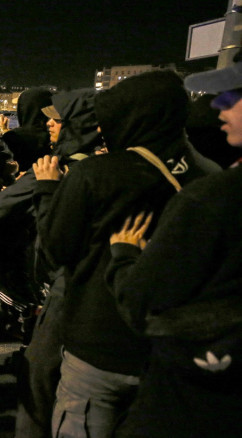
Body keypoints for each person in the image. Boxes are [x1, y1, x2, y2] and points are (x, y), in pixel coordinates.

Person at [33, 71, 219, 438]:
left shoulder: (95, 174)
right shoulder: (211, 176)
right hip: (170, 350)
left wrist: (47, 192)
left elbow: (55, 249)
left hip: (99, 345)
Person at [95, 58, 242, 438]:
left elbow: (140, 299)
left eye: (233, 95)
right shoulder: (210, 173)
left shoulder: (212, 199)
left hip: (194, 394)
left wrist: (124, 254)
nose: (218, 105)